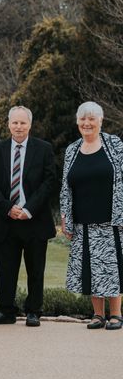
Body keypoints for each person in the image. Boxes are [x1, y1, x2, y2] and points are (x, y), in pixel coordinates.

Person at [0, 106, 55, 327]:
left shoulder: (44, 149)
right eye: (14, 123)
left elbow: (50, 181)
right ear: (8, 124)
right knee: (5, 270)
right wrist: (8, 207)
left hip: (34, 220)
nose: (18, 127)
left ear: (30, 125)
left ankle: (34, 310)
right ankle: (6, 311)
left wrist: (28, 209)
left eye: (23, 123)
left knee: (36, 269)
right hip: (6, 220)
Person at [61, 102, 123, 330]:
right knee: (90, 266)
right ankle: (97, 315)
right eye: (83, 119)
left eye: (92, 119)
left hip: (112, 218)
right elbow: (65, 186)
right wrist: (65, 214)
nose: (87, 123)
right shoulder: (72, 150)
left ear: (100, 121)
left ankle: (116, 315)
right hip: (82, 219)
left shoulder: (114, 144)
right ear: (77, 122)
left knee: (112, 266)